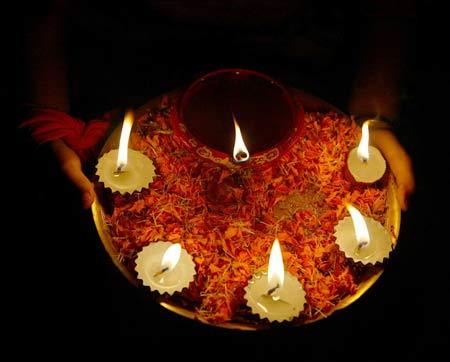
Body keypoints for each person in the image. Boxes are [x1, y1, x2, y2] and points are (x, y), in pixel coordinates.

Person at [17, 0, 415, 211]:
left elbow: (389, 10)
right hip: (137, 52)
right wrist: (49, 119)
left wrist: (372, 118)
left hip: (303, 57)